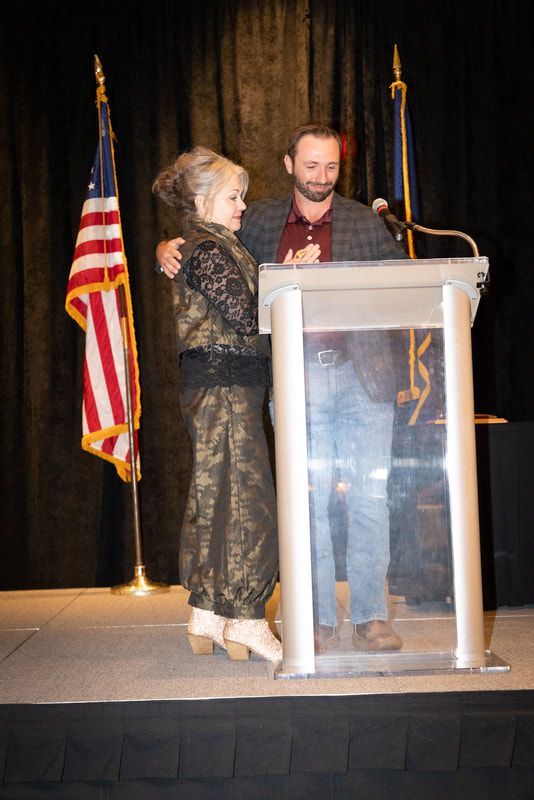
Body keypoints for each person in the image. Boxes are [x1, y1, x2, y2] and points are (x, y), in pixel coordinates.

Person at [156, 124, 406, 655]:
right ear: (289, 164)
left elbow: (404, 291)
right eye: (311, 166)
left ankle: (371, 616)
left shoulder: (366, 221)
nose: (322, 177)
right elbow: (211, 256)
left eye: (332, 167)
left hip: (364, 379)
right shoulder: (259, 219)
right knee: (303, 502)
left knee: (370, 498)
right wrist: (165, 247)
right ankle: (312, 616)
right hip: (295, 379)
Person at [153, 146, 318, 663]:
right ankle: (245, 616)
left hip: (223, 387)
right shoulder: (205, 248)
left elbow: (243, 310)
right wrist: (289, 278)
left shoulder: (216, 243)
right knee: (246, 501)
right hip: (224, 387)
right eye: (232, 196)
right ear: (202, 200)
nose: (242, 205)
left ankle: (209, 610)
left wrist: (284, 273)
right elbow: (249, 317)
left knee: (219, 497)